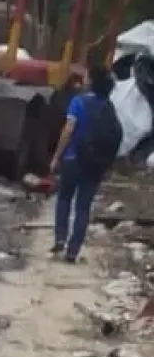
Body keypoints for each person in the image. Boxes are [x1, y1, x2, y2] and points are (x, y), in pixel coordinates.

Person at [49, 65, 120, 264]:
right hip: (95, 164)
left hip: (73, 159)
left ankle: (60, 238)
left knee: (64, 198)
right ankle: (73, 251)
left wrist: (56, 156)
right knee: (83, 207)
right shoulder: (109, 106)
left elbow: (68, 130)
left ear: (91, 82)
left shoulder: (78, 102)